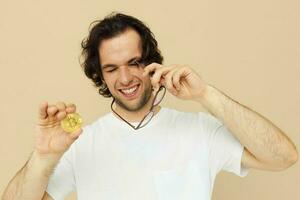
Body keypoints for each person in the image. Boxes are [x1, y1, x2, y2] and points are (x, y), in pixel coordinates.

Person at [2, 12, 298, 200]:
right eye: (112, 68)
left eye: (134, 62)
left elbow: (283, 157)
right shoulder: (81, 143)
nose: (126, 78)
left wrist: (206, 95)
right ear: (100, 76)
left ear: (151, 62)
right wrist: (43, 156)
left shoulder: (199, 131)